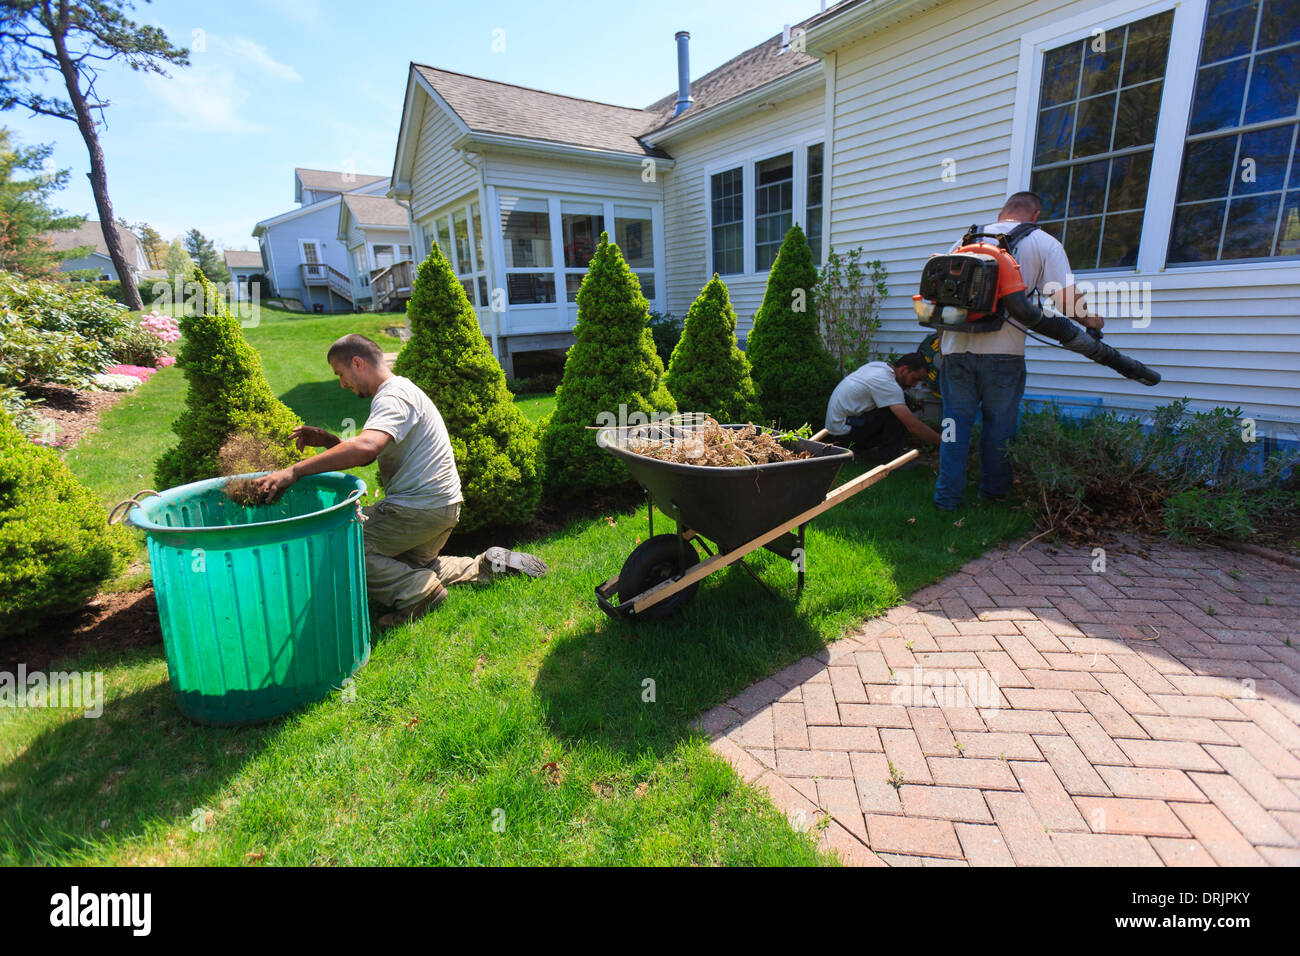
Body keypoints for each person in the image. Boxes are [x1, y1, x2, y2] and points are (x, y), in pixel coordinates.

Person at [253, 334, 547, 628]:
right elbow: (369, 452)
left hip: (417, 510)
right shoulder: (402, 391)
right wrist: (332, 441)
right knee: (408, 566)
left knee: (340, 544)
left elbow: (367, 447)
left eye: (340, 374)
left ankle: (417, 593)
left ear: (358, 363)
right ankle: (482, 567)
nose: (342, 384)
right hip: (441, 508)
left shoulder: (393, 396)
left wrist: (294, 471)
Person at [933, 191, 1103, 511]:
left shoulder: (967, 239)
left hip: (956, 349)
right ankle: (993, 498)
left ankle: (947, 499)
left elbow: (942, 297)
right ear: (1035, 214)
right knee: (999, 429)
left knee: (953, 428)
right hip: (1003, 355)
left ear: (1003, 213)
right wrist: (1090, 319)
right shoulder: (1043, 242)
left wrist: (943, 346)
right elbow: (1063, 298)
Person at [824, 353, 941, 463]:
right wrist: (942, 442)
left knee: (903, 400)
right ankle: (889, 460)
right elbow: (912, 426)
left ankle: (874, 452)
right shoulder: (886, 382)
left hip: (839, 428)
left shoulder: (877, 367)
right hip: (845, 434)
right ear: (904, 370)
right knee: (898, 413)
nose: (915, 385)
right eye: (915, 379)